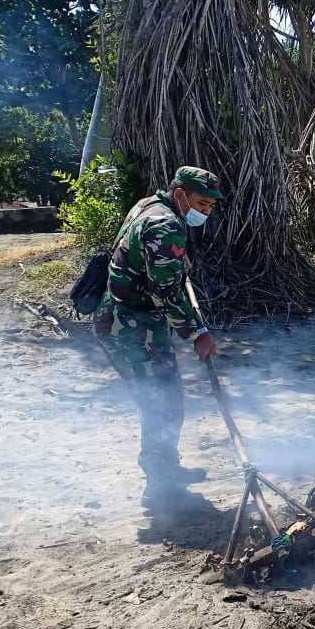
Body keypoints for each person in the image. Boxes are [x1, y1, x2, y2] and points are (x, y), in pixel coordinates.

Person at [94, 165, 222, 508]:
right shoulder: (166, 226)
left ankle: (167, 470)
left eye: (211, 206)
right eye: (201, 203)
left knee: (165, 398)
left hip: (131, 320)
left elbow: (146, 258)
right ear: (180, 194)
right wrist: (197, 332)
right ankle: (160, 489)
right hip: (130, 328)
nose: (206, 211)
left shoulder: (149, 204)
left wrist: (178, 263)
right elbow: (165, 293)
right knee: (160, 403)